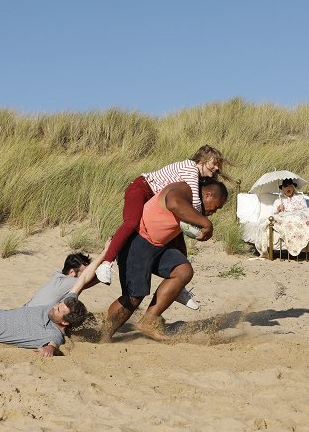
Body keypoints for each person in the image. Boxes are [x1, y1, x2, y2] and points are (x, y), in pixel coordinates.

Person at [95, 145, 230, 310]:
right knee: (131, 222)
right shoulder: (191, 169)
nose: (216, 168)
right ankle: (106, 262)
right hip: (141, 188)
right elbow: (194, 202)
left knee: (177, 238)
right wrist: (204, 223)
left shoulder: (196, 177)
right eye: (213, 163)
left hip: (152, 196)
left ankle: (178, 289)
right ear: (201, 160)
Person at [101, 177, 228, 342]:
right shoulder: (184, 189)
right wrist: (207, 224)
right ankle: (103, 335)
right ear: (209, 195)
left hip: (158, 246)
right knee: (134, 297)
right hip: (137, 241)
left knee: (183, 271)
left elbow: (178, 234)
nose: (214, 211)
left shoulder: (193, 205)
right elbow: (173, 202)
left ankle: (147, 321)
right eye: (217, 206)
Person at [24, 240, 110, 307]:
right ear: (72, 272)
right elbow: (86, 280)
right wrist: (105, 253)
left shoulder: (58, 277)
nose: (86, 274)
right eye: (83, 272)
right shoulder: (67, 282)